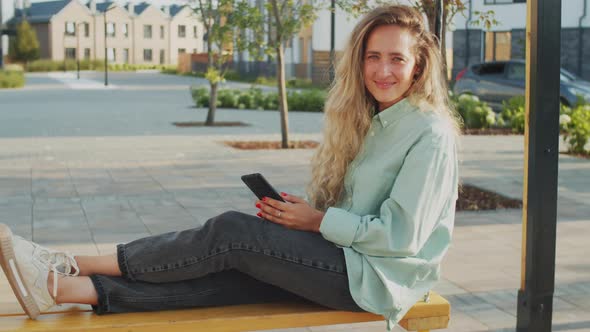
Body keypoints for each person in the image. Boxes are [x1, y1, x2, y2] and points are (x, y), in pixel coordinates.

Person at [0, 4, 460, 330]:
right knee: (232, 274)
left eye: (397, 59)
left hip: (380, 279)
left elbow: (401, 238)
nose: (383, 70)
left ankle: (64, 261)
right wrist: (303, 221)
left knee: (231, 232)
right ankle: (61, 289)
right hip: (349, 262)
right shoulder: (372, 120)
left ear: (418, 67)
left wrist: (319, 221)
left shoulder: (429, 133)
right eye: (373, 57)